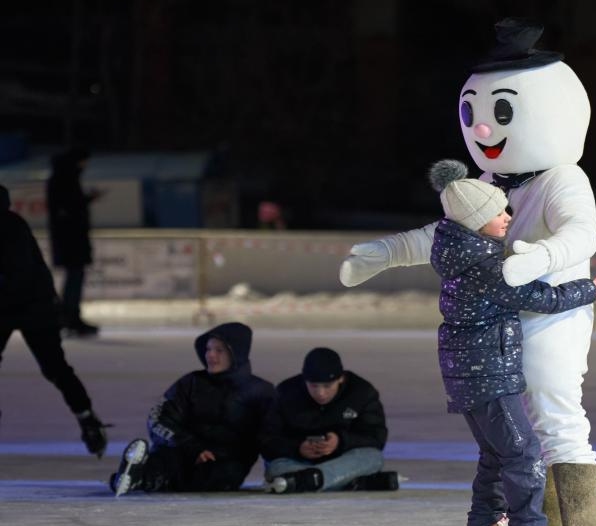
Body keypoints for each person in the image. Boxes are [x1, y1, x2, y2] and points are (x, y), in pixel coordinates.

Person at [339, 19, 596, 526]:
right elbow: (444, 235)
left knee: (554, 419)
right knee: (513, 439)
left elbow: (582, 235)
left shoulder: (562, 179)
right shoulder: (486, 180)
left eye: (501, 112)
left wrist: (542, 259)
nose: (483, 126)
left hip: (550, 313)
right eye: (472, 112)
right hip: (500, 328)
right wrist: (385, 252)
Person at [428, 161, 596, 526]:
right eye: (499, 213)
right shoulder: (486, 265)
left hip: (466, 374)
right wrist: (595, 287)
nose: (509, 218)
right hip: (489, 373)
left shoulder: (457, 251)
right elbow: (542, 298)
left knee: (494, 457)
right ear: (479, 221)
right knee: (523, 453)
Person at [0, 183, 108, 457]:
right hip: (22, 306)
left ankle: (87, 418)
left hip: (34, 307)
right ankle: (87, 417)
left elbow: (18, 276)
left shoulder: (12, 229)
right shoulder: (14, 224)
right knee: (56, 367)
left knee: (54, 366)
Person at [110, 322, 275, 495]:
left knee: (214, 479)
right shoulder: (191, 382)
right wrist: (190, 447)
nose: (210, 355)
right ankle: (133, 478)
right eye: (208, 349)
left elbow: (271, 433)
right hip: (182, 451)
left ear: (237, 354)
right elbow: (159, 418)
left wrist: (278, 467)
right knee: (165, 463)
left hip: (225, 462)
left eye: (219, 350)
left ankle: (136, 479)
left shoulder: (261, 391)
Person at [260, 347, 397, 493]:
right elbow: (266, 439)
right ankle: (347, 482)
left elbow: (376, 438)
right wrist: (298, 448)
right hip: (299, 462)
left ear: (341, 379)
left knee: (373, 458)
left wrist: (340, 442)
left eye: (327, 386)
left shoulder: (361, 392)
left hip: (343, 460)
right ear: (304, 380)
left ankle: (308, 481)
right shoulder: (285, 392)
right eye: (313, 386)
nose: (320, 393)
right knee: (276, 467)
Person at [46, 147, 102, 337]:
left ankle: (68, 316)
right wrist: (85, 201)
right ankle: (70, 316)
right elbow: (69, 209)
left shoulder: (61, 179)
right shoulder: (65, 180)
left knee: (74, 277)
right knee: (74, 277)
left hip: (70, 240)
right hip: (72, 241)